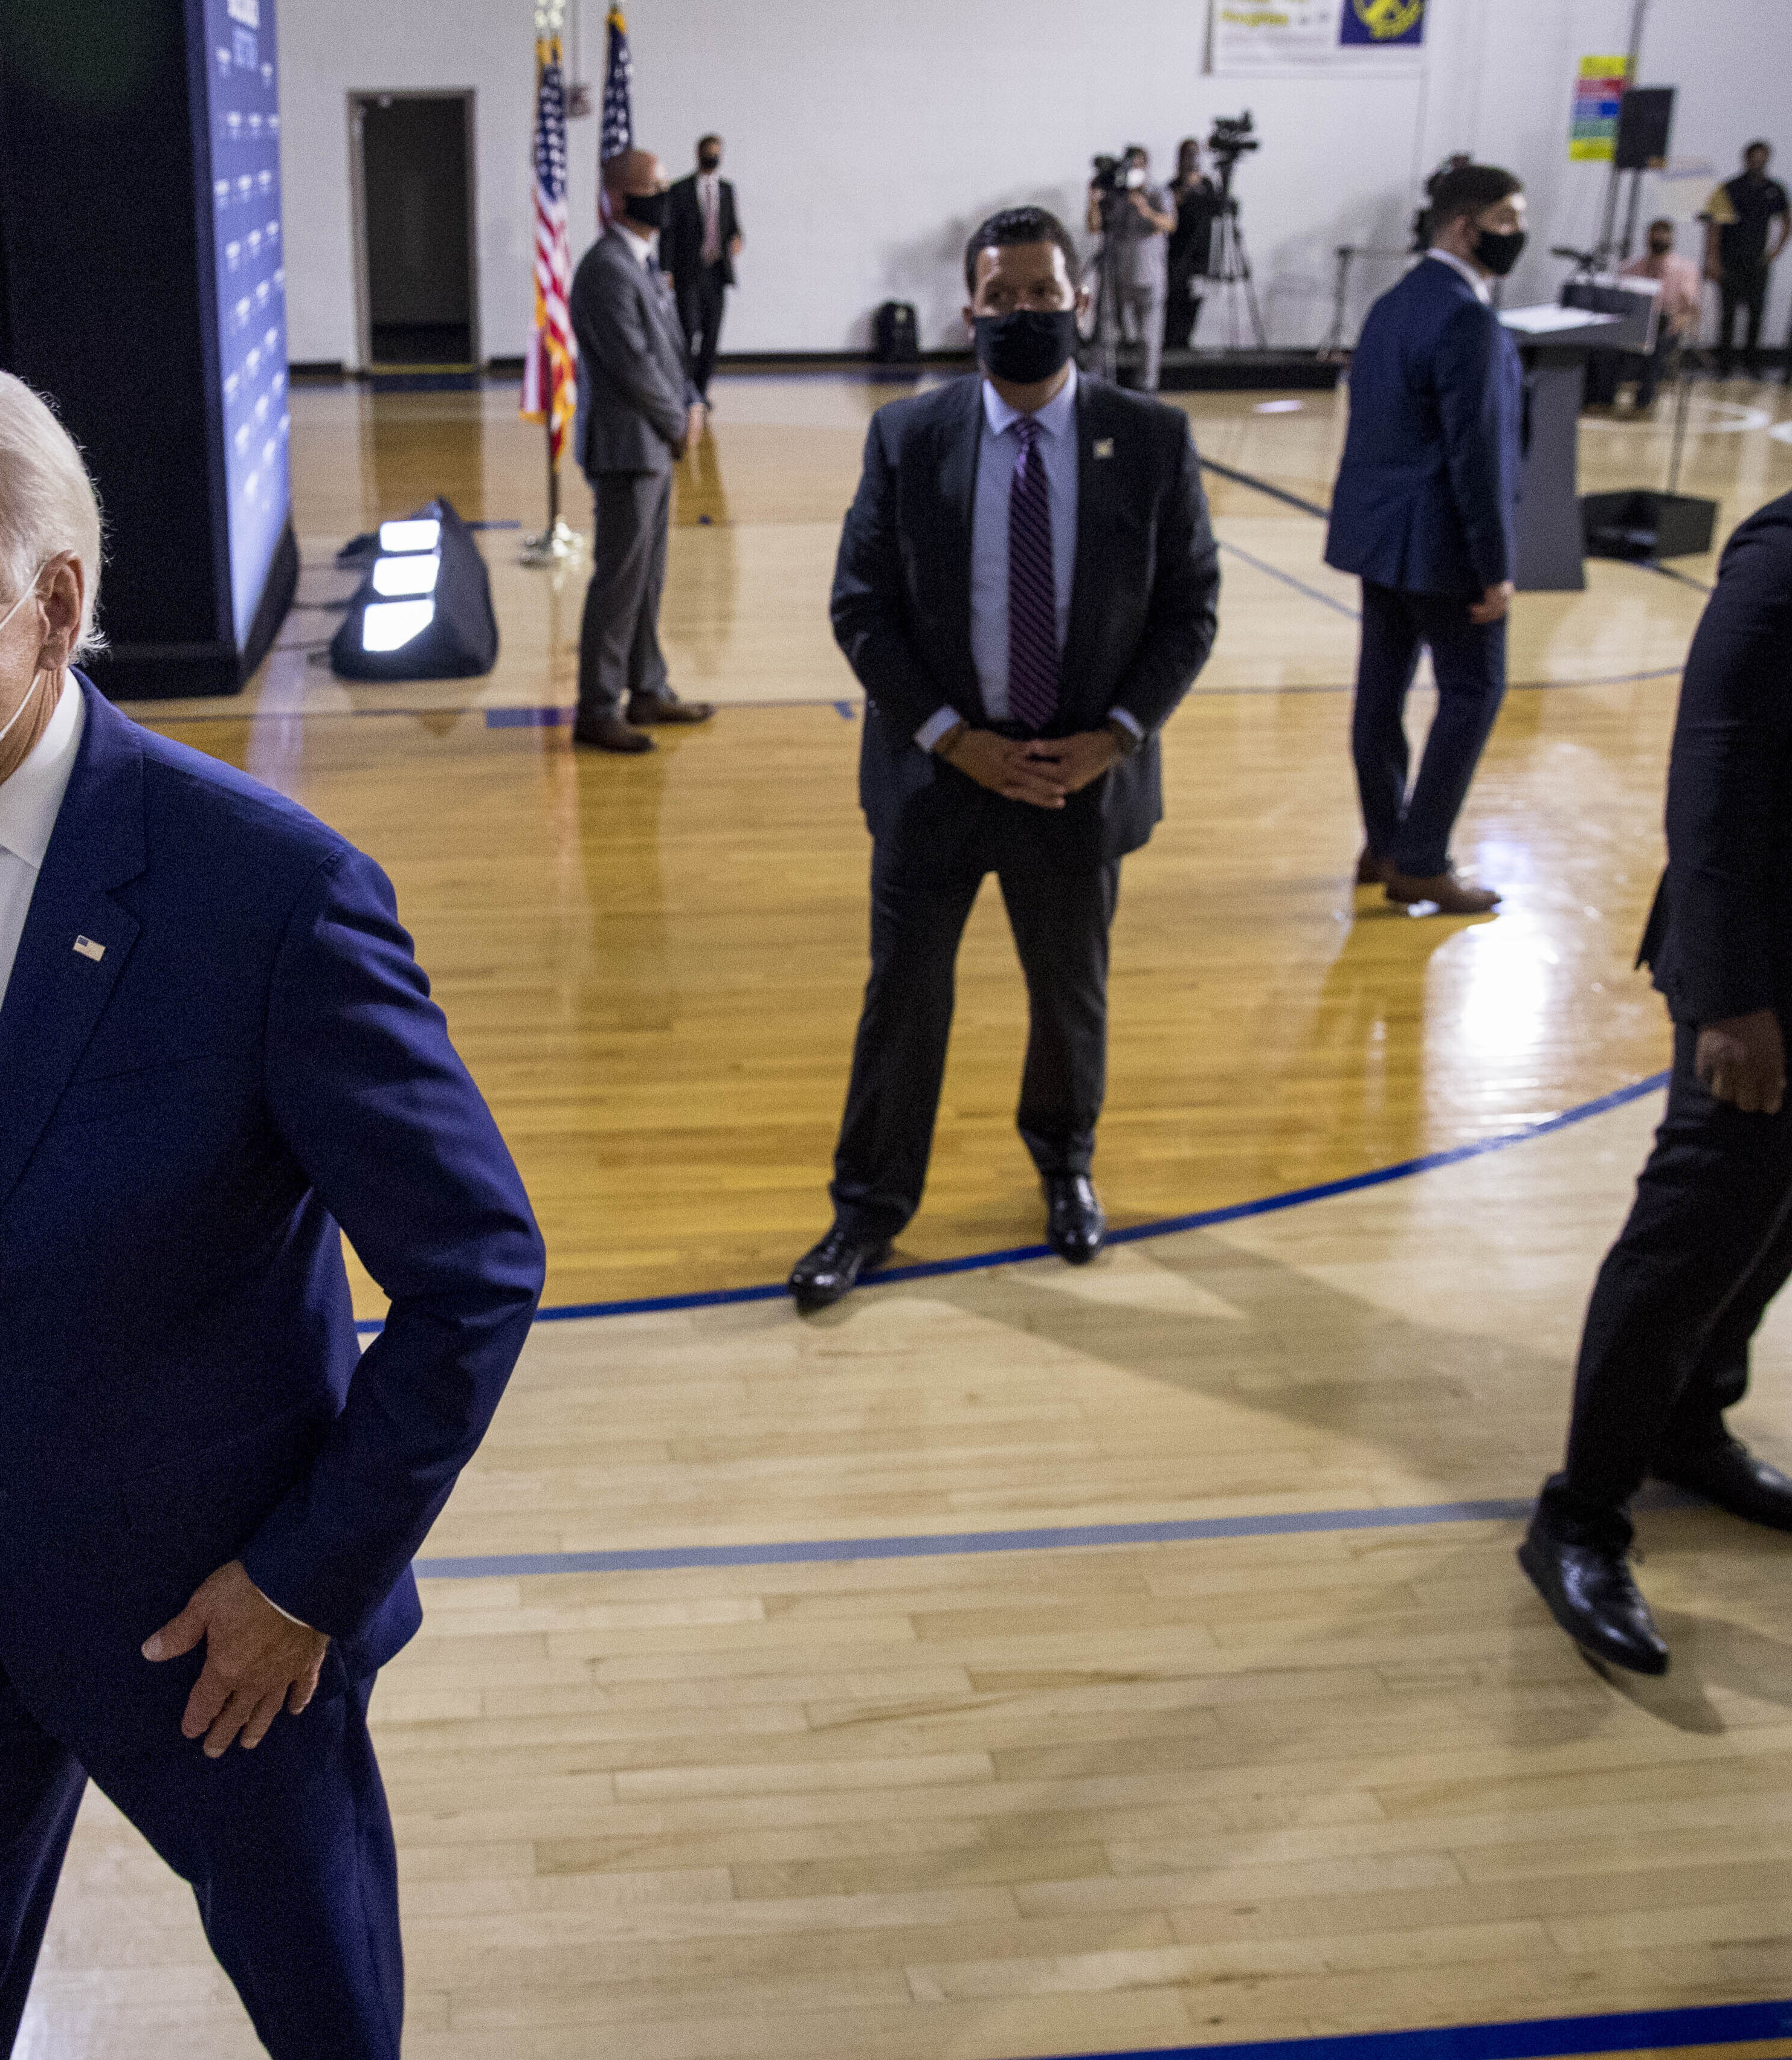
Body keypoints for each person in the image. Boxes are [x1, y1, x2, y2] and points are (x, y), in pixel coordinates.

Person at [0, 353, 544, 2058]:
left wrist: (310, 1582)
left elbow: (474, 1274)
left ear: (51, 605)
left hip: (219, 1636)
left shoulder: (265, 892)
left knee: (320, 2010)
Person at [788, 207, 1219, 1311]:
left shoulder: (1153, 439)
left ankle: (1064, 1165)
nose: (1024, 312)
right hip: (939, 779)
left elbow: (1189, 610)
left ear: (1077, 300)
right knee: (903, 1002)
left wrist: (1113, 738)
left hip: (1079, 784)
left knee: (1068, 998)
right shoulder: (908, 437)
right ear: (968, 309)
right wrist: (954, 739)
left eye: (1043, 293)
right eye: (1002, 296)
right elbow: (860, 610)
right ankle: (867, 1211)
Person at [1520, 491, 1792, 1677]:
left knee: (1776, 1219)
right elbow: (1711, 780)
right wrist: (1728, 1001)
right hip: (1762, 973)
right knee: (1692, 1228)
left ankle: (1691, 1420)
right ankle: (1578, 1514)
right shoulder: (1780, 555)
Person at [1325, 162, 1530, 918]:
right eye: (1506, 220)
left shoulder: (1392, 302)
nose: (1517, 235)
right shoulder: (1466, 317)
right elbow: (1475, 452)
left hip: (1379, 536)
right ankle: (1419, 857)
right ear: (1461, 225)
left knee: (1379, 692)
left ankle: (1383, 839)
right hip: (1440, 544)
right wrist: (1494, 567)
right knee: (1474, 691)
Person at [570, 147, 714, 754]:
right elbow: (629, 363)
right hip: (628, 446)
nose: (665, 194)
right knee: (619, 582)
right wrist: (676, 419)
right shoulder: (604, 267)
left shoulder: (641, 262)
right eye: (653, 186)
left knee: (648, 579)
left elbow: (668, 351)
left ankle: (646, 688)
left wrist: (692, 400)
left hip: (653, 442)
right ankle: (597, 707)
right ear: (619, 198)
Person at [1085, 144, 1175, 392]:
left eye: (1137, 167)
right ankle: (1096, 385)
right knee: (1104, 332)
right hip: (1115, 273)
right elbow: (1094, 227)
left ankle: (1148, 388)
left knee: (1148, 338)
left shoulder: (1158, 193)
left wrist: (1145, 209)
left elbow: (1169, 224)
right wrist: (1093, 201)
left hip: (1149, 276)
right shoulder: (1115, 194)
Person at [661, 133, 743, 405]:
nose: (712, 157)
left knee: (711, 336)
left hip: (717, 274)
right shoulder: (680, 189)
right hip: (688, 274)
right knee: (687, 334)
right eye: (708, 152)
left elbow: (733, 227)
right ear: (698, 154)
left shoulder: (727, 190)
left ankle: (701, 389)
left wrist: (737, 240)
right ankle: (685, 389)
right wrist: (666, 270)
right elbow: (668, 233)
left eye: (716, 152)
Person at [1595, 219, 1702, 413]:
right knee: (1605, 347)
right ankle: (1602, 400)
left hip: (1667, 328)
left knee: (1657, 347)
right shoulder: (1632, 266)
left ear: (1672, 238)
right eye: (1655, 233)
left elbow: (1690, 309)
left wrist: (1679, 324)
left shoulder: (1685, 269)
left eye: (1664, 234)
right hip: (1634, 326)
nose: (1659, 238)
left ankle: (1645, 402)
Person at [1704, 140, 1789, 381]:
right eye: (1754, 157)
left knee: (1756, 314)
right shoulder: (1730, 188)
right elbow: (1714, 225)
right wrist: (1713, 259)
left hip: (1757, 262)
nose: (1758, 162)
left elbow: (1786, 220)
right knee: (1728, 314)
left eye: (1762, 157)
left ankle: (1752, 363)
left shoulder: (1774, 189)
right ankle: (1724, 364)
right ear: (1746, 158)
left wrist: (1775, 252)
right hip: (1730, 259)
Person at [1164, 137, 1220, 355]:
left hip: (1200, 258)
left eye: (1194, 154)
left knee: (1192, 306)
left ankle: (1184, 346)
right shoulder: (1172, 187)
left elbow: (1218, 209)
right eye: (1187, 154)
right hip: (1175, 256)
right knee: (1173, 307)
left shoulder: (1207, 186)